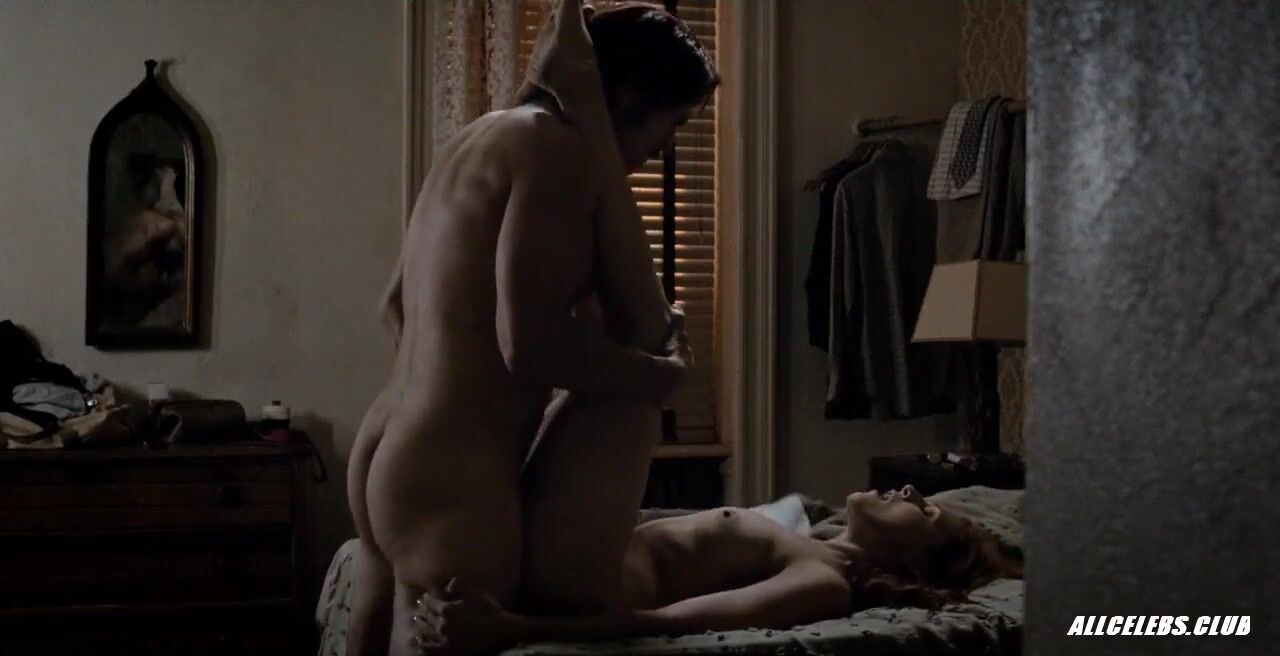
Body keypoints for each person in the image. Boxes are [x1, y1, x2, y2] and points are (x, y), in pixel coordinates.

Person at [344, 2, 720, 655]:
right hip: (452, 474)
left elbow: (394, 305)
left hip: (387, 440)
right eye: (676, 122)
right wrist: (653, 375)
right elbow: (528, 343)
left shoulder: (483, 135)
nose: (667, 148)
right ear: (631, 98)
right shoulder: (558, 153)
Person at [411, 485, 1022, 653]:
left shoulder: (821, 582)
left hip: (578, 585)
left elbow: (670, 623)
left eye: (926, 509)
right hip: (566, 556)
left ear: (915, 558)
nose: (911, 489)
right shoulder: (812, 538)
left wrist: (512, 629)